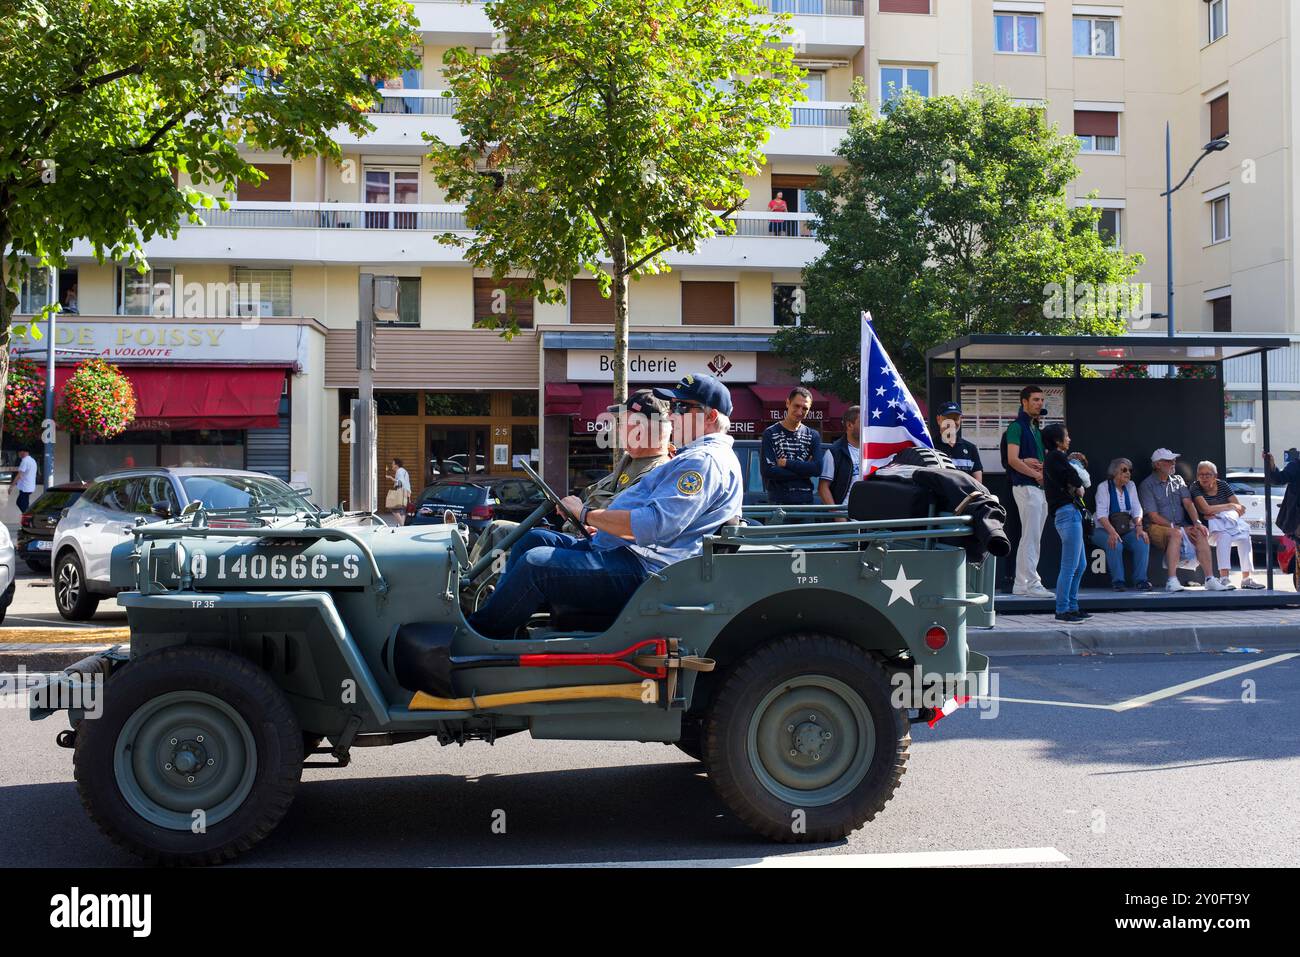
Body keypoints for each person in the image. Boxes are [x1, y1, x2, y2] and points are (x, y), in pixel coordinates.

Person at [466, 373, 743, 639]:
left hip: (647, 569)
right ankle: (500, 622)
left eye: (683, 407)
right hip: (626, 553)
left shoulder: (703, 461)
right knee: (533, 539)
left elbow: (653, 525)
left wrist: (585, 514)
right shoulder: (693, 457)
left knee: (535, 564)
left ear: (710, 417)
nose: (672, 415)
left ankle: (478, 638)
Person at [471, 390, 672, 565]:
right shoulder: (628, 463)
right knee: (497, 530)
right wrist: (569, 508)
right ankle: (467, 594)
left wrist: (583, 515)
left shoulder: (656, 472)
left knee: (510, 541)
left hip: (590, 547)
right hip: (572, 534)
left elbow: (623, 522)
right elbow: (589, 499)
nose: (618, 428)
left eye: (624, 422)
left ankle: (473, 598)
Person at [1138, 449, 1223, 592]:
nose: (1173, 463)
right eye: (1168, 461)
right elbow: (1153, 516)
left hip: (1179, 526)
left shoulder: (1178, 480)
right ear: (1157, 464)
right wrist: (1177, 527)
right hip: (1155, 527)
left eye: (1174, 460)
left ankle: (1210, 579)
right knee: (1176, 533)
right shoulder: (1147, 485)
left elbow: (1188, 503)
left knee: (1201, 532)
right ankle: (1171, 581)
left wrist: (1197, 522)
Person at [1003, 385, 1052, 598]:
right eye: (1035, 400)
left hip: (1038, 488)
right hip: (1025, 487)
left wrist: (1042, 469)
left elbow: (1038, 461)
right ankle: (1033, 583)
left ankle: (1021, 583)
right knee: (1031, 537)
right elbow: (1012, 460)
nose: (1040, 403)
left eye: (1042, 400)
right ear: (1024, 402)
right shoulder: (1016, 427)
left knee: (1031, 537)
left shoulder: (1036, 429)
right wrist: (1035, 473)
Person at [1042, 423, 1090, 622]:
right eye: (1066, 436)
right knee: (1070, 565)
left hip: (1071, 513)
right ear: (1057, 440)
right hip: (1067, 513)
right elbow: (1075, 480)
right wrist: (1077, 482)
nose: (1069, 439)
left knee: (1081, 564)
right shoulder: (1055, 457)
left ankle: (1072, 605)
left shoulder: (1055, 458)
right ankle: (1062, 609)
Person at [1193, 461, 1262, 589]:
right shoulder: (1195, 487)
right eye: (1201, 474)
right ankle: (1224, 578)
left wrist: (1217, 511)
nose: (1204, 478)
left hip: (1229, 524)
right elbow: (1205, 509)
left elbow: (1240, 508)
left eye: (1207, 474)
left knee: (1245, 536)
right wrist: (1229, 506)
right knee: (1223, 535)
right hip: (1208, 529)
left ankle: (1246, 578)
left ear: (1215, 476)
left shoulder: (1223, 485)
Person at [1092, 457, 1152, 592]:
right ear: (1114, 472)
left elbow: (1137, 509)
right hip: (1102, 528)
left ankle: (1141, 580)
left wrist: (1139, 527)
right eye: (1124, 470)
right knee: (1114, 542)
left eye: (1129, 470)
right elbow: (1101, 515)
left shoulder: (1131, 486)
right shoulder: (1103, 487)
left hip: (1125, 528)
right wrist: (1112, 533)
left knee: (1142, 540)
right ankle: (1118, 581)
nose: (1128, 473)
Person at [761, 386, 823, 507]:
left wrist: (787, 463)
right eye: (796, 406)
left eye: (805, 408)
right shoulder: (770, 433)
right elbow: (768, 471)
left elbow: (817, 469)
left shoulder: (813, 435)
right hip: (778, 503)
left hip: (806, 502)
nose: (800, 412)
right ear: (787, 403)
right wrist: (805, 471)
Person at [818, 405, 862, 514]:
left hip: (868, 518)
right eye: (862, 422)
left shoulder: (872, 452)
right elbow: (823, 488)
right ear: (849, 425)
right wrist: (838, 516)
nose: (867, 426)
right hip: (845, 516)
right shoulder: (834, 452)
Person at [933, 402, 983, 482]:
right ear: (938, 419)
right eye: (948, 418)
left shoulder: (970, 448)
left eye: (956, 419)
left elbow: (978, 483)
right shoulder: (930, 447)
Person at [384, 457, 411, 526]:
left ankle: (402, 525)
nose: (392, 465)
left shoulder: (399, 471)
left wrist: (390, 478)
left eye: (392, 464)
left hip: (401, 492)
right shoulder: (404, 471)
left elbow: (400, 482)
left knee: (394, 509)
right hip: (406, 492)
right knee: (402, 511)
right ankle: (401, 526)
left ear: (396, 465)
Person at [14, 449, 37, 514]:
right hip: (30, 486)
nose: (18, 454)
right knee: (25, 503)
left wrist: (11, 486)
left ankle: (29, 516)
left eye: (19, 452)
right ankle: (28, 516)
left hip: (25, 487)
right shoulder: (33, 460)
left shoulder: (25, 461)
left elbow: (19, 474)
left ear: (23, 452)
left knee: (20, 502)